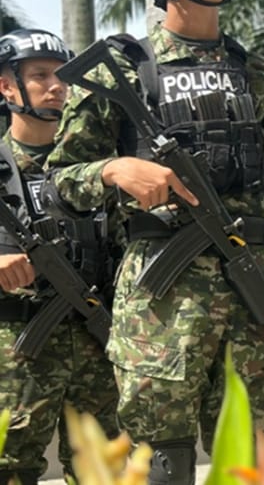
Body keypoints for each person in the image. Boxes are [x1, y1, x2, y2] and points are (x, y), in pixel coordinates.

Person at [42, 0, 264, 483]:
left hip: (257, 295)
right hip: (160, 303)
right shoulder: (121, 70)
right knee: (158, 461)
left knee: (260, 459)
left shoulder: (260, 77)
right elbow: (62, 179)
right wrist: (116, 169)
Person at [0, 29, 119, 485]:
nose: (56, 86)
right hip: (19, 345)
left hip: (96, 337)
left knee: (104, 470)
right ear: (7, 87)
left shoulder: (98, 166)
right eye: (39, 76)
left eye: (62, 76)